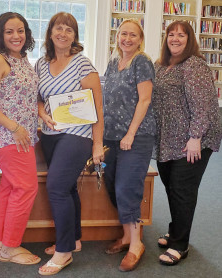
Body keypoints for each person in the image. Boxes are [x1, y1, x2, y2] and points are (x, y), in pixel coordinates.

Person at [35, 12, 104, 275]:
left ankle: (64, 253)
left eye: (69, 30)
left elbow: (98, 107)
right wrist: (42, 113)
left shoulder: (82, 64)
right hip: (51, 135)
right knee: (68, 188)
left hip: (78, 135)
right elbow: (38, 97)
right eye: (58, 28)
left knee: (56, 187)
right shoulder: (41, 63)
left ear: (75, 36)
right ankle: (74, 240)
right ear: (50, 32)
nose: (63, 33)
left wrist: (97, 145)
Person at [153, 20, 222, 266]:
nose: (175, 39)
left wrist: (196, 137)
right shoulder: (161, 66)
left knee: (182, 190)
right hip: (168, 138)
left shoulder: (194, 65)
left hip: (193, 140)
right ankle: (175, 231)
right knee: (171, 186)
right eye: (171, 34)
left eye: (181, 35)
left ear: (189, 39)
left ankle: (180, 245)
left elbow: (203, 105)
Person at [0, 12, 41, 265]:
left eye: (21, 30)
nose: (16, 36)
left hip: (23, 135)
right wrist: (14, 127)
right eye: (9, 31)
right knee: (26, 188)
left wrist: (41, 116)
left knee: (10, 187)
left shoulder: (23, 59)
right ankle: (11, 248)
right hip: (8, 136)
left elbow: (25, 98)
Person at [102, 19, 156, 272]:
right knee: (113, 186)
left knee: (127, 188)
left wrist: (130, 134)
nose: (127, 39)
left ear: (140, 39)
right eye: (124, 33)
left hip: (136, 136)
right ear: (117, 36)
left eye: (133, 35)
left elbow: (144, 101)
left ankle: (136, 244)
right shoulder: (113, 62)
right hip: (111, 136)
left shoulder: (142, 62)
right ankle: (126, 236)